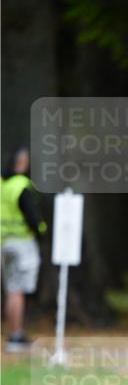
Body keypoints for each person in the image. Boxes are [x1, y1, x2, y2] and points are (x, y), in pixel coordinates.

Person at [1, 148, 46, 352]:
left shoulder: (3, 185)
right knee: (18, 290)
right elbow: (32, 216)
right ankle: (16, 336)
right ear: (23, 163)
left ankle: (14, 333)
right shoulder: (21, 186)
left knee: (12, 289)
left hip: (4, 243)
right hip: (22, 243)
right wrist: (42, 230)